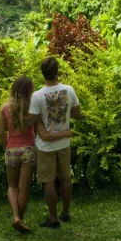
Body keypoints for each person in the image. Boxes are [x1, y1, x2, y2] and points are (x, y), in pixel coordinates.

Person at [0, 76, 68, 233]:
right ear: (29, 91)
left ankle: (16, 217)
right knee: (24, 189)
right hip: (28, 150)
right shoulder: (32, 108)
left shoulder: (5, 108)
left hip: (11, 150)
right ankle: (20, 220)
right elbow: (39, 129)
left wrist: (7, 146)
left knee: (12, 186)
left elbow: (1, 132)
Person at [30, 56, 81, 229]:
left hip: (45, 146)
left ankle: (53, 218)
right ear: (57, 72)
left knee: (48, 181)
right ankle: (66, 212)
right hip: (64, 142)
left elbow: (33, 119)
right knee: (66, 178)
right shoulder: (69, 90)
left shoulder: (37, 96)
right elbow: (76, 112)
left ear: (42, 73)